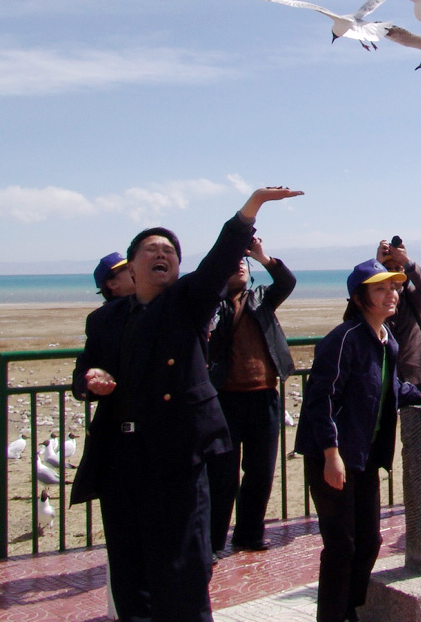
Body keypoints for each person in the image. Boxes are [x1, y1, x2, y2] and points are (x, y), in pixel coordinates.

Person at [71, 186, 302, 622]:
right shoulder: (104, 319)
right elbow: (84, 370)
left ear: (177, 269)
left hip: (177, 457)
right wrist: (89, 380)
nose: (162, 254)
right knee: (129, 572)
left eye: (170, 252)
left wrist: (250, 209)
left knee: (182, 572)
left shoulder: (187, 303)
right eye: (151, 249)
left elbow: (218, 260)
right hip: (121, 460)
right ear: (131, 267)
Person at [297, 260, 421, 622]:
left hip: (363, 456)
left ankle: (351, 609)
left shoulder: (386, 339)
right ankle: (333, 616)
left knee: (369, 542)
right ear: (359, 297)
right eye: (380, 288)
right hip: (333, 456)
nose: (392, 294)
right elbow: (320, 399)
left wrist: (417, 395)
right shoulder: (343, 338)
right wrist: (331, 454)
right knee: (341, 544)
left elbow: (389, 386)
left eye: (394, 288)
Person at [206, 236, 297, 554]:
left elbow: (287, 281)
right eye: (233, 264)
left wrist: (261, 255)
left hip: (265, 398)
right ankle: (214, 542)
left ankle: (248, 535)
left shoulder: (262, 298)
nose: (240, 267)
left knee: (260, 472)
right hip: (225, 400)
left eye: (243, 263)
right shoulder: (212, 306)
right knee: (223, 476)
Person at [376, 237, 421, 393]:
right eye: (387, 269)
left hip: (418, 376)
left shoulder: (411, 297)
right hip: (385, 376)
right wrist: (376, 265)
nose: (393, 274)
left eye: (398, 269)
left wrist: (406, 261)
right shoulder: (373, 300)